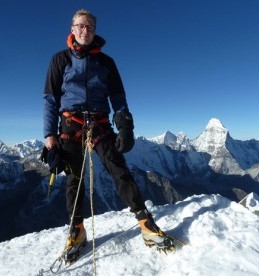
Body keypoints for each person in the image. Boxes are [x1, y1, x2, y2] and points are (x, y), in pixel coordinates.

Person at [42, 9, 175, 258]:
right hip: (71, 126)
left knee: (119, 170)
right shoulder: (60, 60)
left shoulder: (106, 63)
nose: (85, 31)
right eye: (80, 26)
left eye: (90, 27)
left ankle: (145, 222)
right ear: (72, 29)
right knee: (74, 179)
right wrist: (50, 134)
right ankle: (77, 229)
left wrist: (125, 125)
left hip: (100, 124)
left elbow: (118, 97)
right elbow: (51, 98)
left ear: (95, 31)